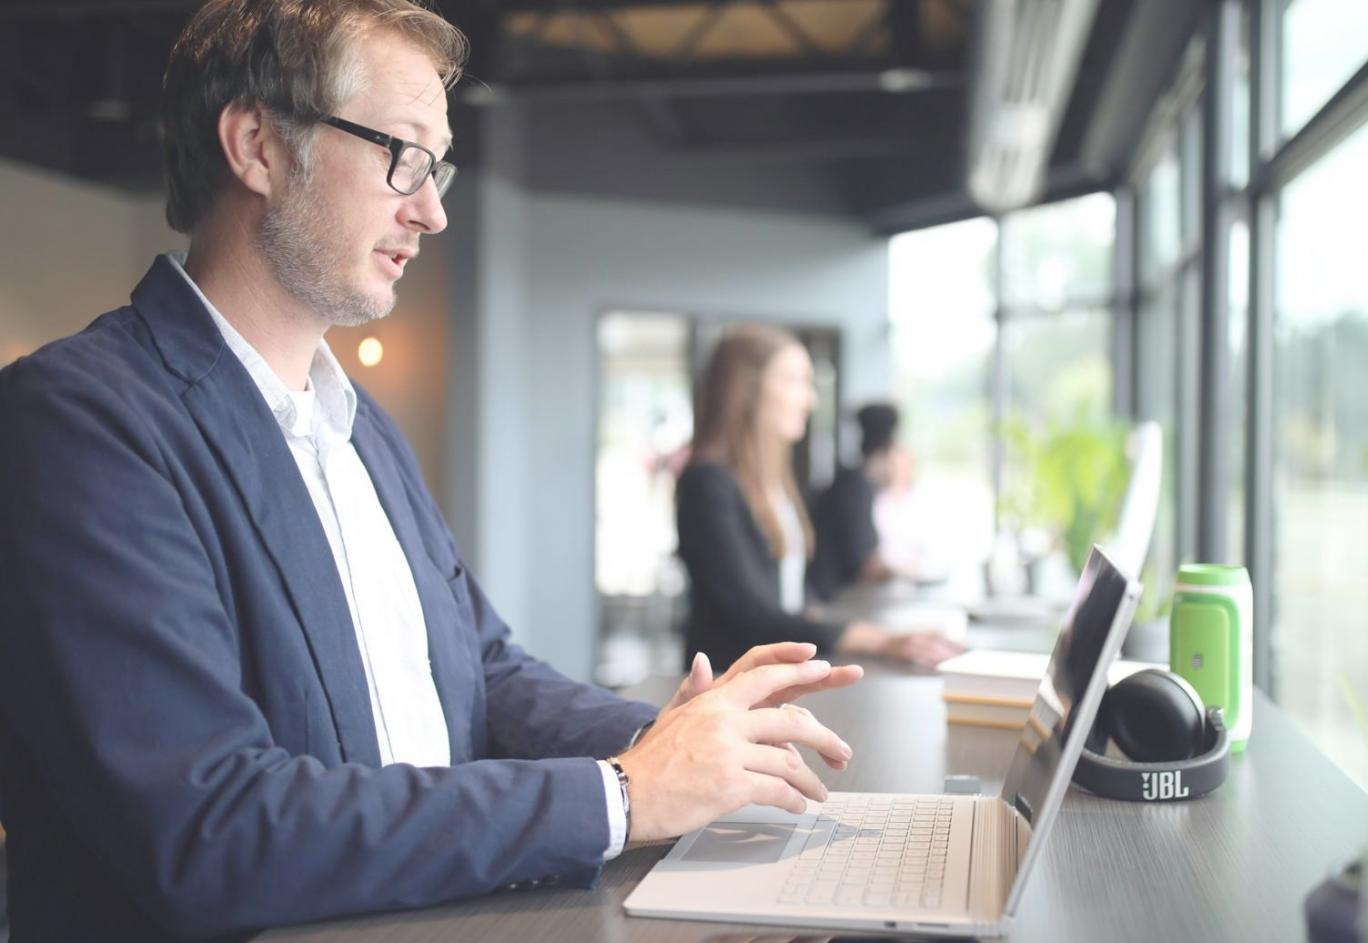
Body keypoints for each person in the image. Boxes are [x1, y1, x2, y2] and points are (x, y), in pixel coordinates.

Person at [0, 3, 862, 940]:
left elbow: (481, 670)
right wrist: (621, 794)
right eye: (402, 154)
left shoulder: (360, 426)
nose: (433, 209)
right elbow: (212, 826)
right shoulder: (82, 419)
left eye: (436, 165)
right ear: (257, 146)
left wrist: (668, 739)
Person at [676, 326, 965, 673]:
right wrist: (876, 640)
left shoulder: (772, 483)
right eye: (794, 381)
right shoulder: (708, 483)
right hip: (729, 681)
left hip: (774, 675)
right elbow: (751, 614)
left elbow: (793, 596)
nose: (810, 399)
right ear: (747, 389)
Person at [810, 402, 904, 598]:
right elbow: (861, 563)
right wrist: (905, 570)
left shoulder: (855, 483)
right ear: (888, 451)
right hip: (833, 599)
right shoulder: (855, 488)